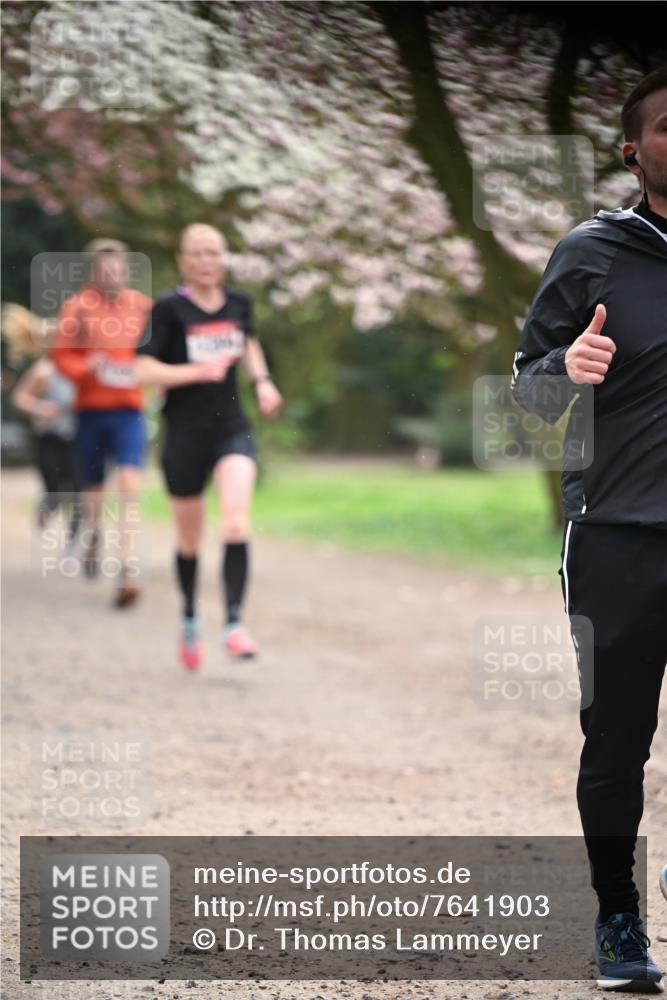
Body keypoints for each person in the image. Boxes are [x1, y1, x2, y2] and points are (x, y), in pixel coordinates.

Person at [511, 68, 666, 992]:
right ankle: (617, 919)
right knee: (618, 741)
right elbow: (520, 404)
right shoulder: (592, 252)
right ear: (631, 150)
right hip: (615, 536)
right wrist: (566, 366)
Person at [134, 223, 282, 668]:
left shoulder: (239, 303)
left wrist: (263, 381)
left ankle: (235, 623)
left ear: (224, 259)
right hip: (183, 434)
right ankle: (190, 617)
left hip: (231, 428)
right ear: (182, 259)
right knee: (190, 539)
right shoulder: (167, 309)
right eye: (197, 253)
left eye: (214, 253)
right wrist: (193, 373)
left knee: (236, 523)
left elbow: (249, 341)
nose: (206, 261)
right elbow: (141, 369)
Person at [51, 239, 152, 608]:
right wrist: (84, 368)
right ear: (94, 272)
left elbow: (159, 350)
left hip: (129, 410)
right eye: (105, 270)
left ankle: (128, 571)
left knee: (129, 486)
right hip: (90, 410)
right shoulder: (76, 308)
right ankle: (93, 535)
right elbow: (61, 355)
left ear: (126, 270)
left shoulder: (143, 307)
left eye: (119, 269)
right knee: (94, 490)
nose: (113, 275)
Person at [4, 304, 81, 543]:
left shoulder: (80, 368)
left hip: (78, 438)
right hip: (49, 438)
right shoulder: (44, 371)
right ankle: (47, 507)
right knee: (55, 487)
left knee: (79, 489)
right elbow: (20, 397)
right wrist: (40, 408)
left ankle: (74, 540)